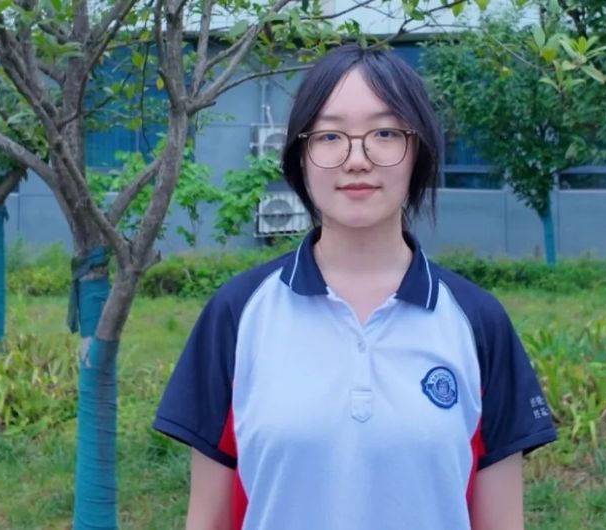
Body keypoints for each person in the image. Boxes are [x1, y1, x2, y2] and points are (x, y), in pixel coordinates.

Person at [153, 44, 556, 530]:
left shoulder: (477, 323)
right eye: (329, 135)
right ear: (301, 155)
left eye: (385, 133)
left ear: (419, 151)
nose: (357, 159)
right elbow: (207, 519)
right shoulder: (238, 315)